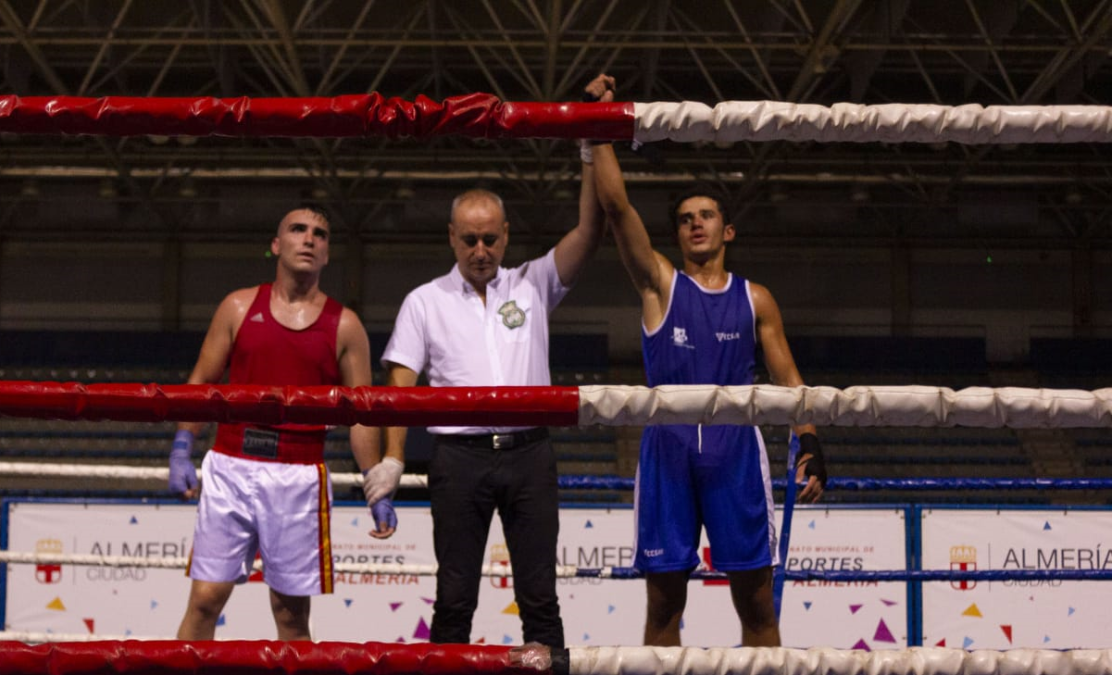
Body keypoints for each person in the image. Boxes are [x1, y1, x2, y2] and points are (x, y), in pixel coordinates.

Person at [585, 74, 827, 647]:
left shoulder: (755, 298)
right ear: (677, 233)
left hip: (735, 451)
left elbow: (788, 378)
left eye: (707, 214)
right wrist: (599, 127)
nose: (696, 222)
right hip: (667, 451)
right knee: (664, 605)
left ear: (728, 229)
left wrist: (810, 441)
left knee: (758, 605)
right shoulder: (660, 285)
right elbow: (616, 209)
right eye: (686, 217)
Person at [375, 98, 606, 647]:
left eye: (490, 239)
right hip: (459, 459)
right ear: (451, 237)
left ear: (505, 233)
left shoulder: (533, 283)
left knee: (540, 598)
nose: (480, 250)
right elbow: (399, 387)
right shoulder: (424, 300)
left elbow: (590, 229)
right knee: (454, 597)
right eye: (469, 240)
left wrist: (590, 147)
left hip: (530, 452)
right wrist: (392, 459)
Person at [168, 205, 397, 641]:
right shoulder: (237, 307)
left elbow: (361, 416)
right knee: (203, 601)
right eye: (298, 229)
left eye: (320, 234)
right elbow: (202, 382)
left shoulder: (345, 326)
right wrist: (182, 446)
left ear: (327, 253)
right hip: (231, 464)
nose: (309, 239)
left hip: (298, 475)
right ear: (276, 244)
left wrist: (375, 484)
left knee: (290, 615)